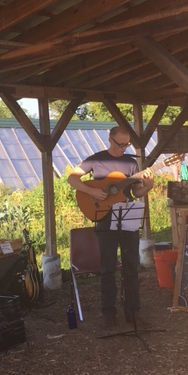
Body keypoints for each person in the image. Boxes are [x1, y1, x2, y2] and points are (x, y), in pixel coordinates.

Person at [67, 126, 154, 328]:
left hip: (126, 217)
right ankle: (109, 313)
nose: (123, 148)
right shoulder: (95, 159)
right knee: (107, 267)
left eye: (127, 145)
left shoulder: (131, 164)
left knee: (131, 266)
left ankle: (133, 312)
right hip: (104, 218)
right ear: (110, 140)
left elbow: (135, 192)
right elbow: (72, 178)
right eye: (120, 144)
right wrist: (93, 192)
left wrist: (148, 186)